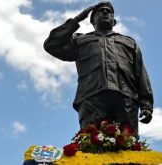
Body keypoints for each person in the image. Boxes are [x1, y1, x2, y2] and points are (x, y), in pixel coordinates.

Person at [44, 1, 153, 136]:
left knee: (128, 146)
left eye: (109, 11)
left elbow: (140, 74)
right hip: (91, 100)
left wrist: (146, 105)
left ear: (114, 21)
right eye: (100, 11)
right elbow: (52, 45)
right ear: (92, 20)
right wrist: (76, 20)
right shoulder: (80, 41)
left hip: (126, 101)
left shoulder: (129, 43)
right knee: (91, 146)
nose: (105, 13)